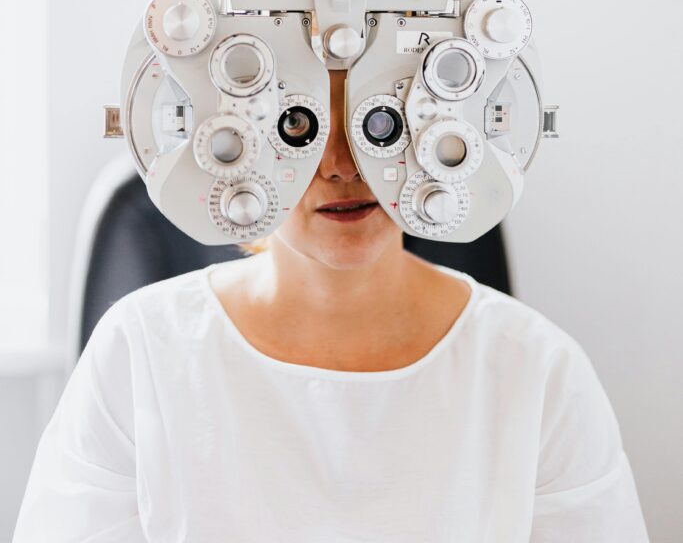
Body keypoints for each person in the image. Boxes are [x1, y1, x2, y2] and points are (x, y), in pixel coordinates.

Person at [13, 69, 650, 542]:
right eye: (299, 124)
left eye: (379, 124)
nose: (343, 165)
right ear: (238, 142)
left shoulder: (538, 371)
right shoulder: (140, 350)